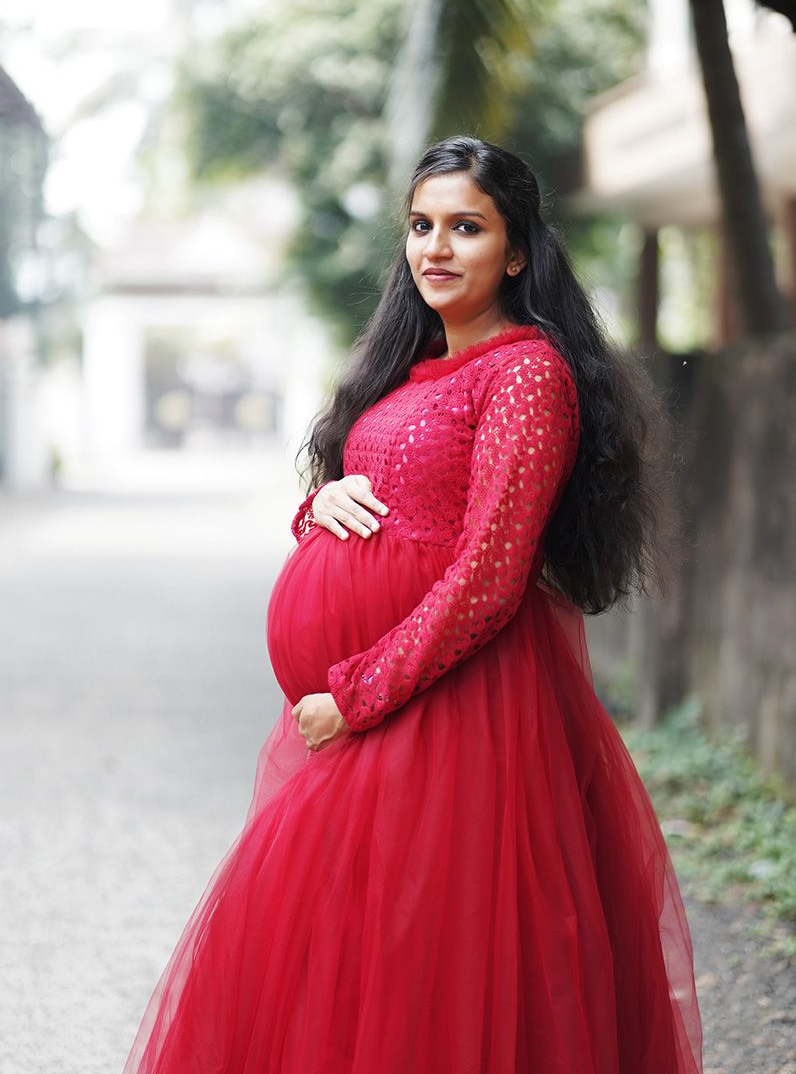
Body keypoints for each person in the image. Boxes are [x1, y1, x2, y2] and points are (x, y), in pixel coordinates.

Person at [122, 136, 704, 1073]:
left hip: (460, 712)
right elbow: (380, 506)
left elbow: (491, 575)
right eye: (421, 226)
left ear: (515, 251)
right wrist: (317, 502)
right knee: (354, 958)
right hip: (387, 708)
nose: (435, 248)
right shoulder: (409, 370)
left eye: (465, 227)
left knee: (439, 963)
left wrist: (355, 694)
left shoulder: (525, 374)